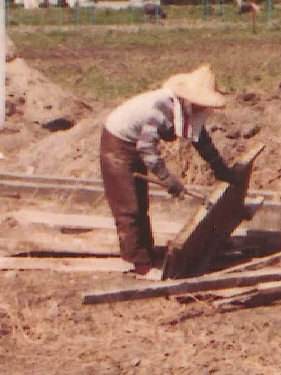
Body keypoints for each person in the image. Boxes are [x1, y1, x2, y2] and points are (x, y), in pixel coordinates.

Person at [100, 66, 239, 278]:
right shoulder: (163, 106)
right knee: (128, 205)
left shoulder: (195, 111)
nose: (204, 107)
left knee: (141, 202)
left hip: (135, 141)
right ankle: (140, 264)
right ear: (190, 99)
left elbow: (202, 141)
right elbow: (146, 146)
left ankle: (147, 252)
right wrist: (166, 176)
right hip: (118, 141)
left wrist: (220, 169)